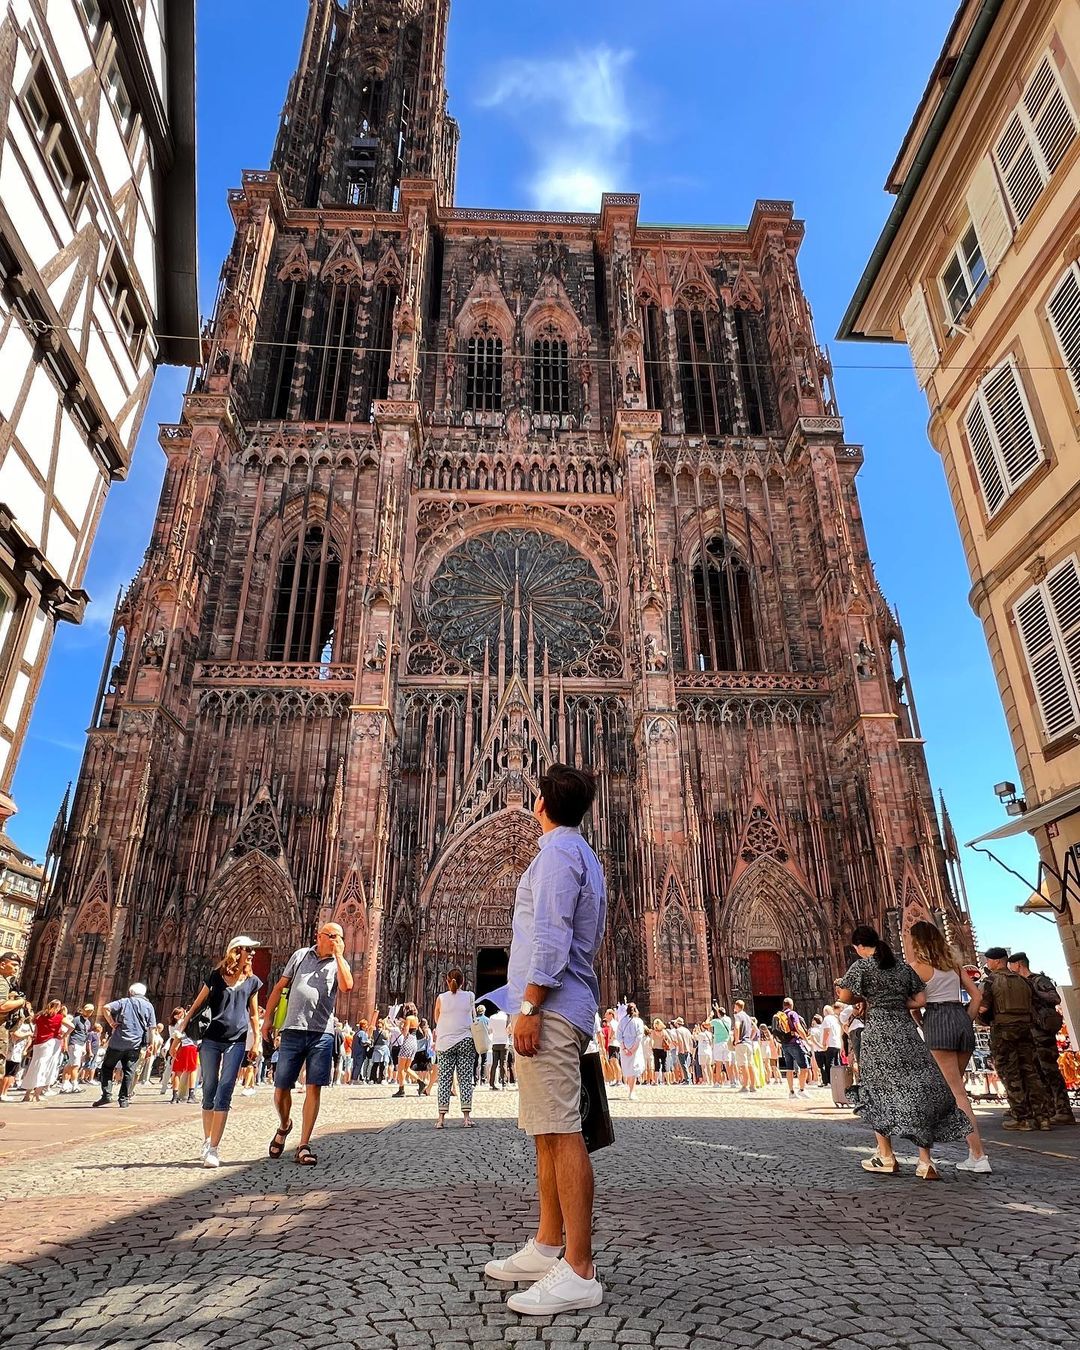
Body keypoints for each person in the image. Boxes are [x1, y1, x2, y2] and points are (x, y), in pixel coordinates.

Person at [483, 763, 606, 1315]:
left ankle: (578, 1267)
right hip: (557, 1005)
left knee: (561, 1131)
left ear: (541, 803)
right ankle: (547, 1242)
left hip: (551, 1007)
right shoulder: (578, 852)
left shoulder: (557, 854)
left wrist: (528, 1004)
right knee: (545, 1130)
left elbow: (551, 935)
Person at [836, 925, 971, 1179]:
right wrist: (898, 1003)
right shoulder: (902, 967)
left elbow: (844, 996)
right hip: (906, 1032)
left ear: (859, 947)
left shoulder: (862, 967)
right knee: (918, 1088)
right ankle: (926, 1162)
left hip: (878, 1035)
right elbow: (920, 1000)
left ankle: (885, 1155)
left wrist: (869, 1000)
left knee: (877, 1090)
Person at [262, 922, 353, 1166]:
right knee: (281, 1088)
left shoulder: (338, 964)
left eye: (340, 937)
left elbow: (348, 986)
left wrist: (340, 955)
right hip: (292, 1030)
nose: (336, 940)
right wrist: (267, 1019)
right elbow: (280, 986)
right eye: (332, 936)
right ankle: (284, 1125)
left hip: (321, 1034)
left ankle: (303, 1144)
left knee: (314, 1087)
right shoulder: (300, 955)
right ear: (319, 936)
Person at [907, 920, 990, 1173]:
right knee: (955, 1090)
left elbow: (915, 1002)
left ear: (917, 943)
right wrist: (967, 1019)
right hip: (960, 1019)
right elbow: (977, 996)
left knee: (956, 1093)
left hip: (937, 1021)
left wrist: (921, 1021)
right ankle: (972, 1154)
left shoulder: (917, 967)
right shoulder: (953, 964)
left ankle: (978, 1155)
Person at [175, 936, 262, 1168]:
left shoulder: (253, 981)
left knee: (225, 1089)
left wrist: (258, 1041)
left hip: (237, 1040)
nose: (253, 954)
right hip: (211, 1038)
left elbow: (254, 1014)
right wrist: (182, 1026)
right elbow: (197, 1003)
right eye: (249, 950)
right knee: (210, 1089)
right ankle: (206, 1139)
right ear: (237, 951)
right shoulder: (215, 976)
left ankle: (213, 1147)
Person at [979, 947, 1051, 1132]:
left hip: (1003, 1032)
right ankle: (1043, 1117)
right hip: (1026, 1030)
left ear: (996, 962)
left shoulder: (991, 981)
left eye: (988, 961)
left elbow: (983, 1009)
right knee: (1031, 1072)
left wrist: (982, 1020)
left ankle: (1022, 1117)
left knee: (1011, 1074)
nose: (988, 964)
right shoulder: (1023, 981)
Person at [1007, 952, 1075, 1126]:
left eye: (1012, 965)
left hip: (1042, 1032)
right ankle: (1050, 1108)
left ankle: (1063, 1110)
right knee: (1037, 1072)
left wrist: (1033, 994)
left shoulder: (1038, 980)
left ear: (1019, 964)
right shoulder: (1021, 983)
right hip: (1030, 1033)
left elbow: (1054, 998)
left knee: (1050, 1071)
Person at [93, 983, 155, 1108]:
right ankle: (124, 1099)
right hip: (135, 1043)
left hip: (118, 1041)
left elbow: (105, 1008)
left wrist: (111, 1023)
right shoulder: (148, 1006)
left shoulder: (124, 1001)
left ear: (131, 992)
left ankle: (106, 1094)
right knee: (129, 1071)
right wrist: (151, 1044)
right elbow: (152, 1027)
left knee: (107, 1067)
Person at [433, 967, 478, 1127]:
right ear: (463, 981)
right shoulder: (470, 996)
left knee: (444, 1080)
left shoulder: (441, 998)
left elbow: (437, 1018)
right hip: (465, 1040)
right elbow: (473, 1016)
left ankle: (441, 1119)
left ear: (446, 981)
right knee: (465, 1079)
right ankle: (466, 1118)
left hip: (445, 1042)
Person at [22, 999, 69, 1101]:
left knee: (35, 1066)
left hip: (39, 1043)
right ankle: (37, 1095)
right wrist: (64, 1035)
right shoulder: (59, 1017)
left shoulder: (40, 1016)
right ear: (58, 1007)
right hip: (51, 1043)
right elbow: (71, 1026)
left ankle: (27, 1095)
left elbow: (35, 1028)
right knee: (46, 1067)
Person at [0, 952, 29, 1101]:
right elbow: (2, 1006)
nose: (17, 968)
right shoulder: (2, 982)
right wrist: (20, 1002)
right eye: (14, 965)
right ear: (2, 964)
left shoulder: (6, 982)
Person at [772, 998, 811, 1097]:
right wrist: (806, 1039)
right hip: (794, 1043)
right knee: (804, 1066)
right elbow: (798, 1027)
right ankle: (802, 1090)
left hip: (785, 1044)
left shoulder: (779, 1015)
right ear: (791, 1005)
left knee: (789, 1068)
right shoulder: (792, 1014)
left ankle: (791, 1092)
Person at [167, 1006, 199, 1103]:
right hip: (190, 1045)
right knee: (192, 1070)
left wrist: (172, 1048)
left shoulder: (174, 1024)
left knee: (177, 1071)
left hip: (180, 1047)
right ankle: (191, 1095)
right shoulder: (189, 1021)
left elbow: (175, 1036)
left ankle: (174, 1096)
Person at [61, 1003, 95, 1094]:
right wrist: (65, 1043)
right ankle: (75, 1085)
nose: (89, 1012)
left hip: (81, 1044)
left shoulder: (88, 1022)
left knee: (70, 1064)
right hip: (74, 1043)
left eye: (91, 1011)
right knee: (76, 1065)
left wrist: (84, 1048)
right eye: (87, 1010)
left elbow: (85, 1035)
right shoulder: (76, 1020)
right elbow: (69, 1031)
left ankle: (64, 1083)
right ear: (83, 1010)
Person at [618, 1003, 646, 1100]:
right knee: (633, 1069)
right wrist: (633, 1049)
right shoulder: (638, 1021)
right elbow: (639, 1036)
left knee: (628, 1069)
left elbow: (619, 1035)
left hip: (624, 1047)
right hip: (635, 1047)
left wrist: (624, 1048)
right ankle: (632, 1091)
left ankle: (630, 1089)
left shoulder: (622, 1021)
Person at [730, 999, 757, 1093]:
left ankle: (745, 1086)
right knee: (750, 1065)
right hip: (749, 1043)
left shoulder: (738, 1016)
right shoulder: (748, 1017)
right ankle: (753, 1086)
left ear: (737, 1007)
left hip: (741, 1043)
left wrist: (736, 1040)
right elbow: (755, 1029)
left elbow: (737, 1027)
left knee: (743, 1064)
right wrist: (750, 1038)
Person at [820, 1004, 844, 1089]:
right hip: (837, 1043)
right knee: (837, 1063)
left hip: (830, 1043)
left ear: (826, 1012)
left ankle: (831, 1081)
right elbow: (841, 1033)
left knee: (829, 1063)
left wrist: (824, 1043)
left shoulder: (827, 1019)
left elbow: (827, 1031)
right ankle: (839, 1080)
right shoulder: (836, 1019)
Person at [489, 1005, 511, 1089]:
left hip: (495, 1042)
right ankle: (504, 1083)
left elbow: (490, 1030)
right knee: (503, 1063)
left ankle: (492, 1083)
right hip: (504, 1042)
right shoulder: (506, 1017)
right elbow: (509, 1030)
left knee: (494, 1064)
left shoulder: (492, 1017)